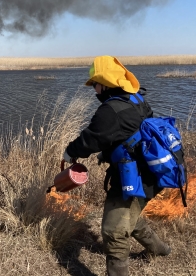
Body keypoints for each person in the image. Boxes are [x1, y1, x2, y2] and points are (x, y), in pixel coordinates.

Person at [63, 55, 171, 276]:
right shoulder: (135, 98)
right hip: (149, 173)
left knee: (113, 232)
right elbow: (132, 133)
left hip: (135, 179)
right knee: (129, 217)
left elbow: (89, 139)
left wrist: (70, 152)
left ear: (105, 83)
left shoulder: (110, 110)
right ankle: (160, 250)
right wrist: (111, 152)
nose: (94, 89)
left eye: (95, 84)